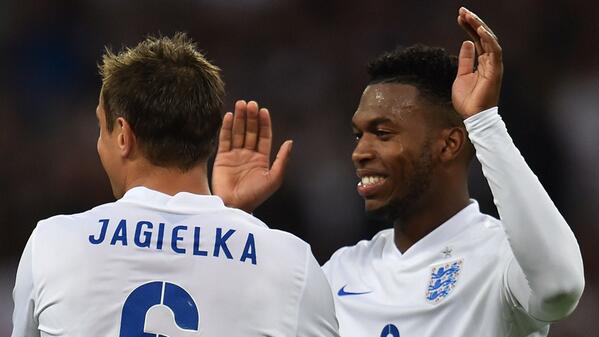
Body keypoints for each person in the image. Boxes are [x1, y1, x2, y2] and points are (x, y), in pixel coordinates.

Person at [212, 7, 584, 337]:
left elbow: (560, 287)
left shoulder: (500, 258)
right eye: (358, 135)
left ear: (449, 144)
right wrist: (227, 220)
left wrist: (484, 124)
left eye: (383, 133)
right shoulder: (341, 271)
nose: (359, 152)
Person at [12, 33, 339, 337]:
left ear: (123, 136)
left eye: (102, 128)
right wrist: (232, 218)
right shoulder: (291, 264)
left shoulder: (52, 244)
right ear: (209, 138)